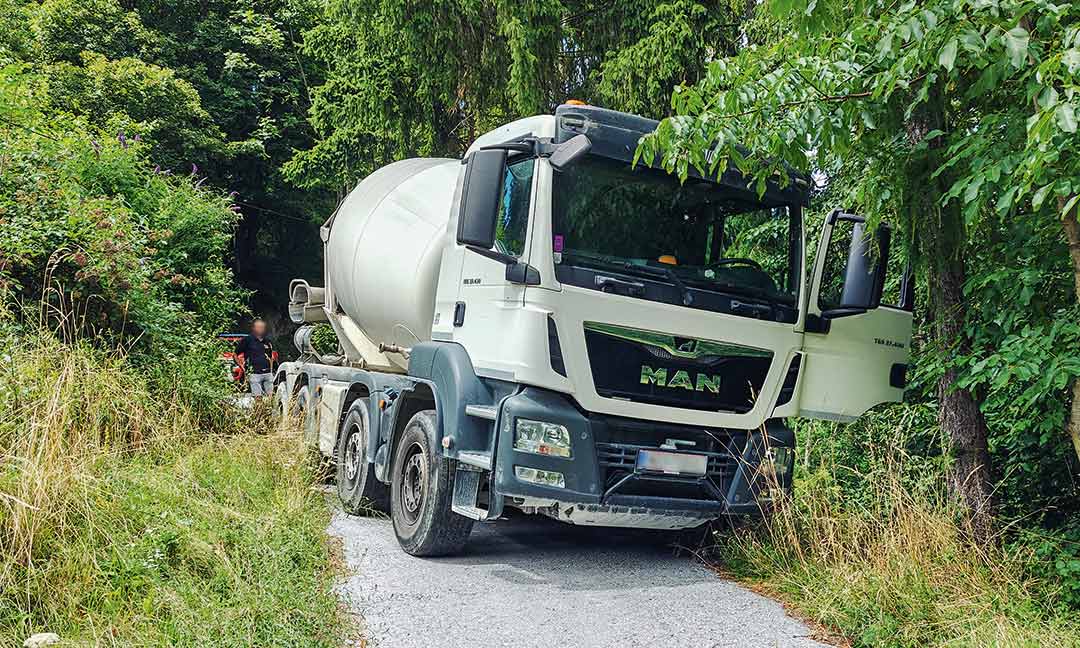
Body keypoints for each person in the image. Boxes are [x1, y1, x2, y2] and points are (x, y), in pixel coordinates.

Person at [235, 319, 275, 397]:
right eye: (259, 327)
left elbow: (270, 357)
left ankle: (268, 409)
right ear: (254, 328)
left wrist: (270, 370)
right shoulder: (247, 340)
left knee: (270, 397)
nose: (261, 329)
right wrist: (242, 367)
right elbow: (235, 354)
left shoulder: (267, 341)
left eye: (262, 327)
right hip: (254, 374)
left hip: (267, 374)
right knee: (257, 397)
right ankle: (259, 409)